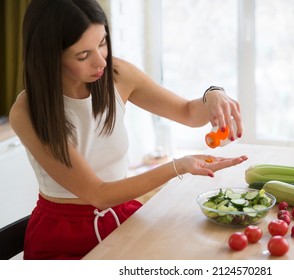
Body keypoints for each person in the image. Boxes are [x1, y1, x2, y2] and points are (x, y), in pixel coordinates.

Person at [9, 0, 247, 260]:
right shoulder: (28, 112)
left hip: (121, 217)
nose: (101, 61)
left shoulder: (117, 74)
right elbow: (97, 194)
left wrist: (213, 95)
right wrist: (178, 166)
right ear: (50, 55)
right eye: (83, 55)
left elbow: (188, 113)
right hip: (61, 236)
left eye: (102, 42)